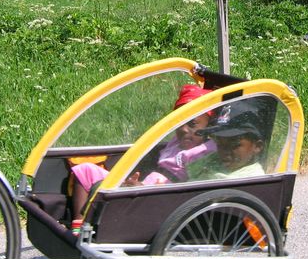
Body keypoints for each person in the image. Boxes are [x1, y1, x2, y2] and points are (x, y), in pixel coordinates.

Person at [69, 84, 214, 234]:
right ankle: (78, 225)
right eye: (180, 122)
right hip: (144, 186)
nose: (184, 129)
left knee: (114, 192)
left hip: (160, 199)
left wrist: (143, 190)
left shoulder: (206, 151)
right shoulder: (178, 141)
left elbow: (190, 190)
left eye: (192, 124)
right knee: (86, 170)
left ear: (210, 125)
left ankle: (96, 230)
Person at [186, 97, 274, 181]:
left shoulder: (250, 181)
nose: (224, 151)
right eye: (219, 144)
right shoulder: (211, 161)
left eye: (234, 145)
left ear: (257, 146)